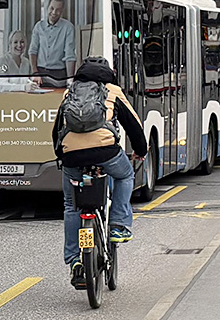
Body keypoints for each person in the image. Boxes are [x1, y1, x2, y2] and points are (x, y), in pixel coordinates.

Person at [51, 57, 148, 290]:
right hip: (106, 152)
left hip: (72, 156)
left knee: (71, 204)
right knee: (125, 176)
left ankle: (75, 261)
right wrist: (141, 151)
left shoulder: (70, 93)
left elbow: (57, 130)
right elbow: (133, 125)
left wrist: (62, 155)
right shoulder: (113, 91)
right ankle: (118, 225)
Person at [29, 0, 76, 88]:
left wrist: (70, 79)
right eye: (52, 8)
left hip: (59, 74)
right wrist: (35, 72)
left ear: (62, 12)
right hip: (40, 73)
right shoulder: (38, 26)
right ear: (47, 8)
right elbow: (33, 51)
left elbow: (69, 55)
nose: (54, 12)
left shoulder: (68, 28)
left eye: (58, 10)